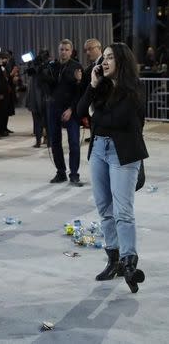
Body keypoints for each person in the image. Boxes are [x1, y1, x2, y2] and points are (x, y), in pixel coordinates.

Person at [77, 42, 148, 293]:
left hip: (123, 153)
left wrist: (95, 116)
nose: (104, 62)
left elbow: (119, 120)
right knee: (104, 208)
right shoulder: (102, 86)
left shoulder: (135, 88)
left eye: (109, 58)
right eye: (103, 58)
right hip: (98, 150)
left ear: (122, 61)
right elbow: (79, 112)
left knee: (123, 211)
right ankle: (114, 260)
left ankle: (130, 263)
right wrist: (92, 86)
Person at [43, 39, 83, 186]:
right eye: (61, 49)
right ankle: (61, 172)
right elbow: (46, 85)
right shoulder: (52, 66)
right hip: (53, 108)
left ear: (71, 51)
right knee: (55, 142)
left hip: (70, 110)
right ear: (58, 50)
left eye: (66, 49)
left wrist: (71, 109)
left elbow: (80, 93)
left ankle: (74, 174)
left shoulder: (77, 67)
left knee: (74, 143)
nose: (64, 52)